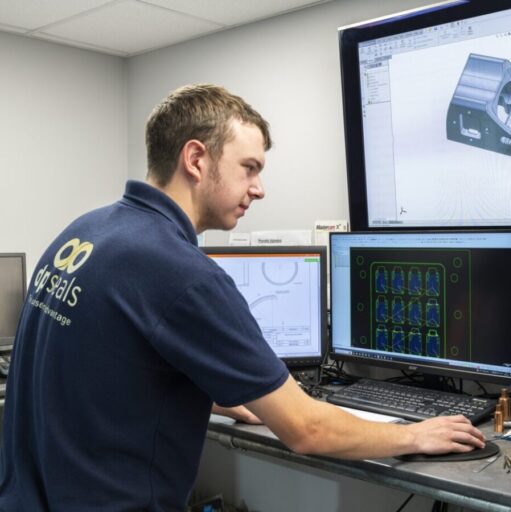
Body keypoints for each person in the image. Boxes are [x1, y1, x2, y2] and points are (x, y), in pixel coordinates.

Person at [0, 84, 485, 511]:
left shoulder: (84, 232)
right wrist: (414, 433)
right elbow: (306, 430)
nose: (259, 189)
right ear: (195, 159)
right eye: (249, 168)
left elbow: (98, 369)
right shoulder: (182, 273)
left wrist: (217, 395)